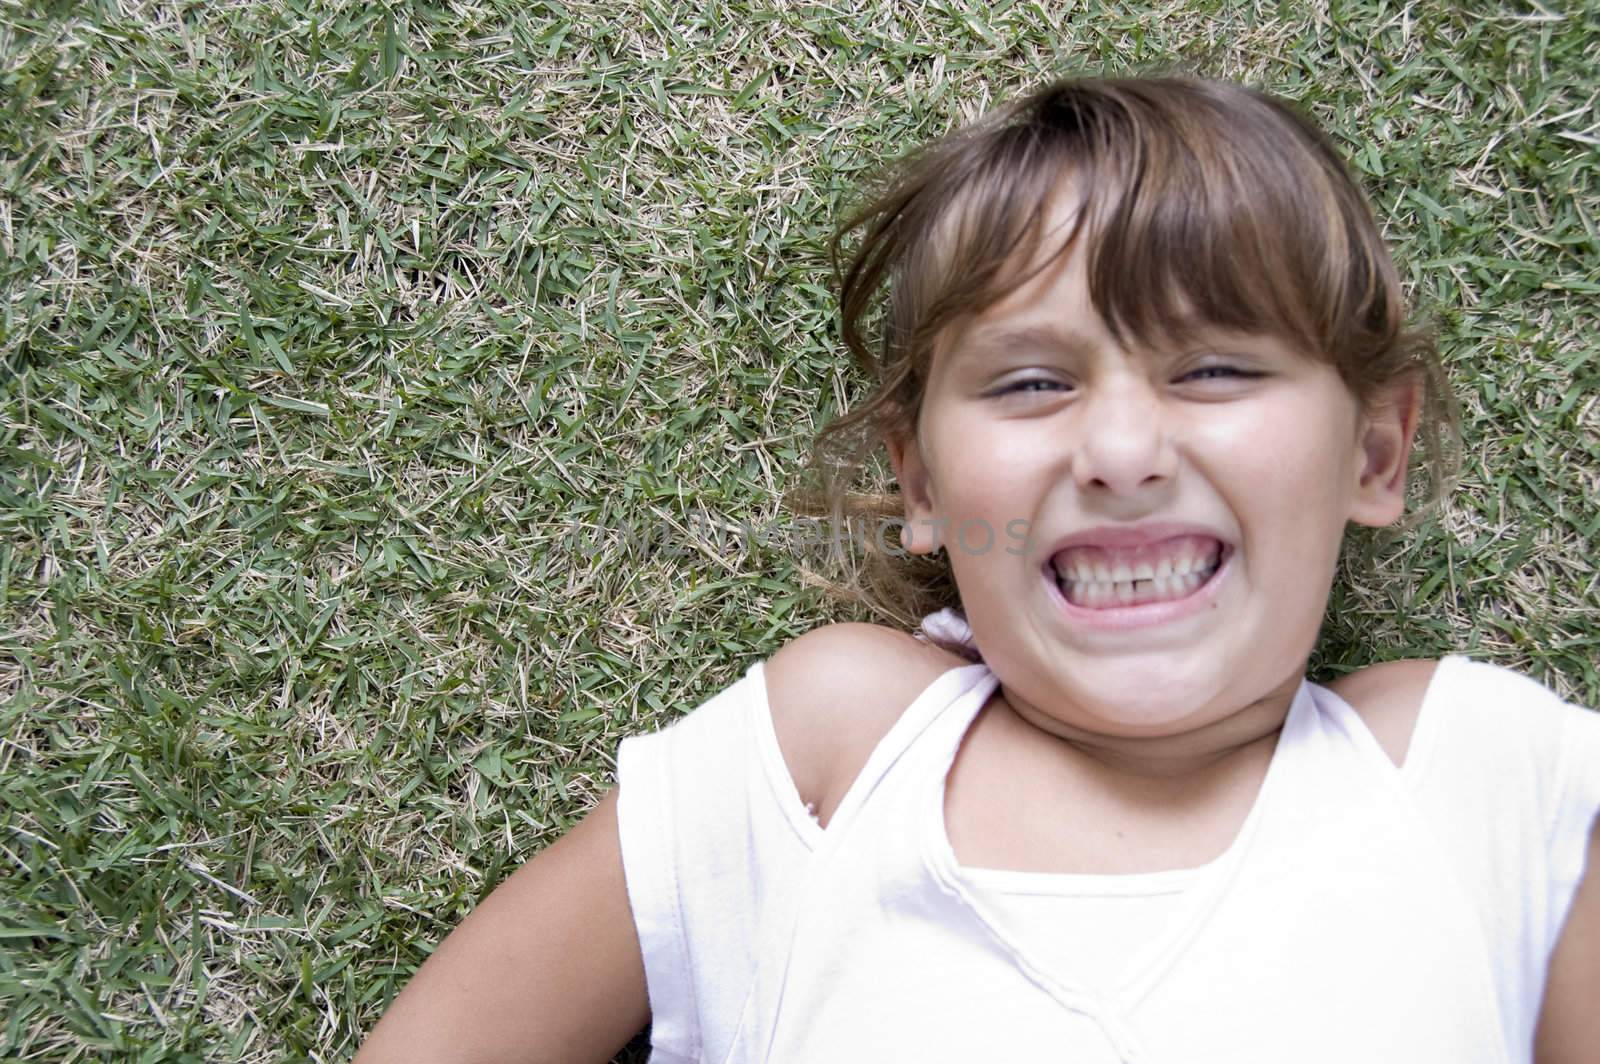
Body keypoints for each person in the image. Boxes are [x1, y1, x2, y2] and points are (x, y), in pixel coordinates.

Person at [354, 77, 1600, 1064]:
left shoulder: (1479, 777)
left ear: (1373, 451)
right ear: (926, 488)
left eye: (1215, 367)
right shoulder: (830, 759)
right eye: (1031, 381)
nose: (1119, 450)